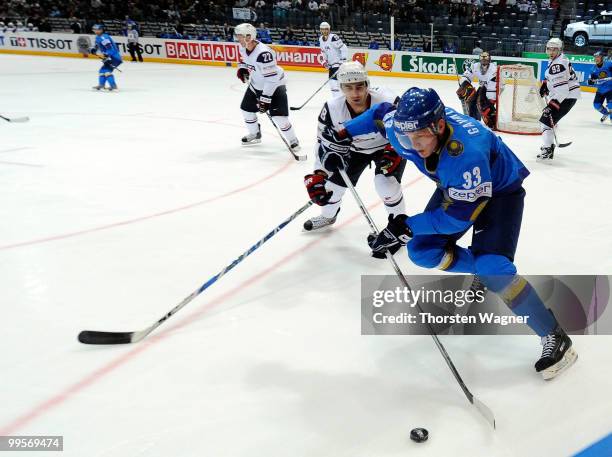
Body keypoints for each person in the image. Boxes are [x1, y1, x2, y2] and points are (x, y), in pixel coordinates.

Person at [321, 87, 577, 380]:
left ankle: (555, 336)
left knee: (493, 268)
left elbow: (455, 219)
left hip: (500, 191)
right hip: (456, 189)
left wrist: (405, 226)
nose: (413, 146)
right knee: (421, 252)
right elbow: (379, 115)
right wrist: (342, 134)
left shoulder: (466, 154)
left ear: (439, 126)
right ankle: (485, 271)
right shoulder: (405, 127)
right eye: (407, 138)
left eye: (420, 137)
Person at [303, 61, 406, 231]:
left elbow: (407, 131)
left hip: (387, 148)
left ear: (367, 85)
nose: (355, 93)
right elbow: (323, 143)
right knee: (332, 187)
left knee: (385, 184)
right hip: (353, 151)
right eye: (348, 88)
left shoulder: (388, 99)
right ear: (341, 88)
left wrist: (396, 149)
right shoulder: (331, 109)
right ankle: (328, 216)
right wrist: (320, 173)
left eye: (359, 86)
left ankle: (398, 228)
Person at [234, 23, 300, 152]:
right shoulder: (243, 46)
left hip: (275, 86)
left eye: (240, 36)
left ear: (249, 37)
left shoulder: (264, 54)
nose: (238, 39)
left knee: (279, 117)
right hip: (256, 84)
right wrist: (242, 69)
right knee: (246, 110)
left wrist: (265, 98)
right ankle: (255, 133)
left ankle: (293, 140)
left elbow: (272, 79)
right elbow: (245, 60)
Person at [537, 38, 580, 160]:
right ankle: (548, 147)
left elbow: (563, 90)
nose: (551, 52)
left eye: (554, 49)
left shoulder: (558, 65)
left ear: (560, 50)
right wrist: (546, 83)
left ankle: (547, 149)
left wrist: (552, 105)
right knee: (546, 122)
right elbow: (555, 79)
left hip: (566, 97)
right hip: (567, 96)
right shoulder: (559, 59)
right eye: (549, 49)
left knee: (545, 122)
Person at [456, 51, 498, 128]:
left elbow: (492, 89)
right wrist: (464, 85)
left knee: (484, 105)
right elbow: (466, 76)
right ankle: (474, 120)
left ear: (490, 59)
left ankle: (493, 120)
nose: (484, 60)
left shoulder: (494, 69)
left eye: (486, 58)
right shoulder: (475, 66)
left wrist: (489, 102)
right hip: (483, 87)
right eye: (482, 58)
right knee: (472, 100)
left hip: (495, 89)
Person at [89, 24, 123, 91]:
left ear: (101, 30)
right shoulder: (98, 37)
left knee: (106, 71)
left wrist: (107, 55)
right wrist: (93, 50)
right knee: (102, 71)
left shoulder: (104, 37)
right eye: (94, 30)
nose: (96, 31)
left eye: (97, 30)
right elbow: (97, 46)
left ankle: (114, 87)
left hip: (114, 57)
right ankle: (101, 85)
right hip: (110, 57)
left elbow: (110, 48)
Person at [318, 22, 348, 96]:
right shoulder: (321, 39)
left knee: (336, 83)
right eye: (322, 29)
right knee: (332, 84)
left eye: (326, 29)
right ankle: (336, 99)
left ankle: (340, 99)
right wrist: (325, 62)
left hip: (338, 64)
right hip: (331, 65)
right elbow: (323, 52)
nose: (324, 31)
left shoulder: (333, 37)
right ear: (320, 30)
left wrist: (343, 61)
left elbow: (344, 48)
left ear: (329, 29)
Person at [587, 50, 612, 123]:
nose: (596, 59)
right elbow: (591, 81)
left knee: (611, 104)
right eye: (595, 57)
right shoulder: (593, 69)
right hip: (600, 90)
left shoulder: (609, 65)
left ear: (602, 58)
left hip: (610, 89)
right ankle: (606, 113)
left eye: (598, 57)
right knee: (596, 105)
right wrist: (590, 81)